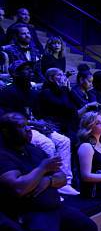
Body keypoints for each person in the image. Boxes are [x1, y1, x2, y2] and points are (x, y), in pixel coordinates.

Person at [0, 112, 98, 231]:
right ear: (6, 131)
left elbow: (61, 177)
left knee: (88, 228)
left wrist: (46, 181)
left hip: (55, 208)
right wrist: (43, 169)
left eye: (28, 125)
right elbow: (19, 188)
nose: (28, 129)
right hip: (30, 214)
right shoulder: (3, 156)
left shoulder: (34, 150)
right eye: (21, 126)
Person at [0, 61, 79, 195]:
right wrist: (36, 124)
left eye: (31, 69)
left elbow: (38, 114)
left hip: (36, 126)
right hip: (20, 129)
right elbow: (9, 119)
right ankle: (48, 181)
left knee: (64, 141)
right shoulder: (7, 92)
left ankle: (66, 182)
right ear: (15, 73)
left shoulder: (34, 93)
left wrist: (44, 123)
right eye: (26, 69)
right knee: (47, 144)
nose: (30, 71)